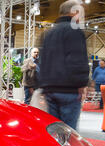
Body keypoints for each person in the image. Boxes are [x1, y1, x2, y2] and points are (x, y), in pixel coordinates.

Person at [38, 0, 89, 130]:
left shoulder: (48, 33)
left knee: (54, 132)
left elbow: (42, 62)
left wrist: (43, 86)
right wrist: (82, 84)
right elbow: (77, 60)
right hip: (69, 90)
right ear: (75, 12)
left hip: (50, 90)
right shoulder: (75, 30)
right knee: (69, 134)